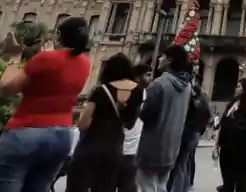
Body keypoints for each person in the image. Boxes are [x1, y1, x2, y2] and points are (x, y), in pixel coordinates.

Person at [0, 17, 91, 192]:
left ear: (58, 35)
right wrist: (48, 55)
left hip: (27, 130)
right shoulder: (85, 63)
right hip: (62, 135)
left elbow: (6, 88)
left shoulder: (45, 59)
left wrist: (14, 58)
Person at [66, 52, 143, 192]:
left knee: (77, 186)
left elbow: (83, 123)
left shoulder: (101, 91)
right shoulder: (138, 92)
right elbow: (130, 123)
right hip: (114, 149)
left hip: (90, 147)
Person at [136, 45, 193, 192]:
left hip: (152, 145)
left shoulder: (158, 84)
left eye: (162, 56)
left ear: (169, 60)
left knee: (147, 185)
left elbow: (147, 115)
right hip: (172, 147)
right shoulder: (187, 87)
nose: (159, 59)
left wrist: (138, 109)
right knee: (161, 186)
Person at [168, 79, 211, 192]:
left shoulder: (193, 103)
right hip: (195, 134)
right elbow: (207, 118)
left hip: (189, 133)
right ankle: (185, 186)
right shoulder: (203, 102)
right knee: (186, 162)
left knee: (180, 164)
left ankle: (178, 188)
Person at [215, 78, 246, 192]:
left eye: (239, 86)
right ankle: (227, 187)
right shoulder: (233, 103)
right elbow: (224, 122)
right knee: (226, 173)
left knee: (240, 178)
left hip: (240, 147)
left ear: (245, 90)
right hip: (226, 145)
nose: (236, 88)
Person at [118, 64, 151, 192]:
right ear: (137, 77)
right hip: (120, 147)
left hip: (133, 150)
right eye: (147, 75)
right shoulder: (126, 93)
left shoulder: (146, 94)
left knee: (128, 185)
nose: (151, 78)